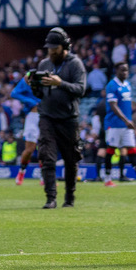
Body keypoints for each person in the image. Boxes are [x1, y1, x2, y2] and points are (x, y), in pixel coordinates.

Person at [30, 27, 86, 209]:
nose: (51, 51)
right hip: (47, 116)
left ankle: (69, 197)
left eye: (55, 48)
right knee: (47, 157)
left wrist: (60, 83)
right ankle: (50, 198)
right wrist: (33, 85)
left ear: (64, 47)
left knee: (71, 160)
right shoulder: (44, 64)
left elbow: (81, 89)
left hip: (69, 119)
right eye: (49, 48)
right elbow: (40, 94)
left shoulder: (75, 64)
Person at [101, 62, 136, 186]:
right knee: (111, 149)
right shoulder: (111, 85)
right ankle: (107, 178)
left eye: (127, 70)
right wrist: (126, 120)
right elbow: (113, 106)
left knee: (129, 149)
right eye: (123, 70)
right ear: (116, 71)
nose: (125, 73)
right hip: (114, 124)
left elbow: (127, 105)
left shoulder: (128, 85)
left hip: (126, 125)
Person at [11, 75, 41, 186]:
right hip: (32, 116)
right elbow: (14, 93)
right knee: (30, 149)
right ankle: (21, 171)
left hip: (46, 115)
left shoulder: (50, 76)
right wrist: (30, 101)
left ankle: (45, 176)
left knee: (45, 148)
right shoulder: (29, 77)